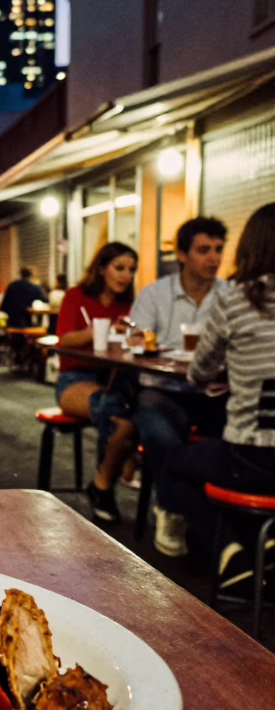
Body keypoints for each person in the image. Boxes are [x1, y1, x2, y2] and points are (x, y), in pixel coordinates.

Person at [158, 204, 275, 592]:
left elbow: (199, 373)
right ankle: (265, 541)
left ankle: (231, 552)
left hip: (254, 458)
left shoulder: (237, 300)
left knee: (173, 459)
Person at [129, 216, 229, 557]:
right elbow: (134, 342)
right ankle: (173, 509)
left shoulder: (230, 295)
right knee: (159, 429)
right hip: (164, 389)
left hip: (213, 391)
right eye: (204, 250)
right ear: (183, 254)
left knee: (229, 438)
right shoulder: (155, 294)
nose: (213, 258)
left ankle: (210, 520)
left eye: (218, 250)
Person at [55, 242, 139, 524]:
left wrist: (134, 336)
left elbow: (137, 342)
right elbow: (64, 339)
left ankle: (102, 482)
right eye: (119, 268)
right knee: (119, 415)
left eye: (131, 270)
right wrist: (98, 330)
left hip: (115, 378)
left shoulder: (128, 305)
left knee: (139, 409)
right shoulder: (76, 296)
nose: (125, 275)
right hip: (73, 379)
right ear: (102, 268)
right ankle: (111, 478)